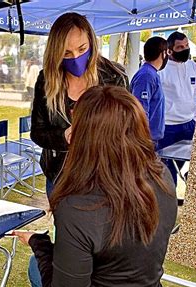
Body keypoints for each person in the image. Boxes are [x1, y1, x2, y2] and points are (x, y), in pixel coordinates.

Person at [0, 86, 178, 287]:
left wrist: (39, 244)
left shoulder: (79, 206)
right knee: (36, 268)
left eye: (76, 124)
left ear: (84, 138)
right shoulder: (161, 176)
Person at [30, 12, 129, 196]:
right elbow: (37, 132)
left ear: (91, 41)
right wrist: (63, 136)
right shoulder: (47, 79)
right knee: (64, 225)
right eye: (66, 53)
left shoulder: (114, 77)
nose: (75, 57)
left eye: (82, 49)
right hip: (60, 177)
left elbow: (128, 132)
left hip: (103, 179)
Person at [158, 31, 196, 186]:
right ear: (170, 50)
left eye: (186, 46)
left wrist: (195, 116)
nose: (185, 49)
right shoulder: (161, 69)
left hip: (190, 124)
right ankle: (170, 202)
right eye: (180, 47)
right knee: (167, 172)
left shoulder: (193, 66)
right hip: (168, 127)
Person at [131, 36, 168, 147]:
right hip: (147, 140)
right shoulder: (147, 76)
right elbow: (141, 109)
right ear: (163, 53)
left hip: (152, 138)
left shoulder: (151, 74)